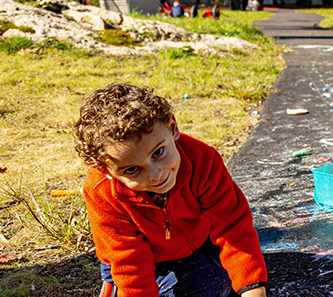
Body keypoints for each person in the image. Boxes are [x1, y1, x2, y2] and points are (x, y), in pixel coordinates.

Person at [74, 83, 267, 297]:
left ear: (172, 127)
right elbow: (129, 261)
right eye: (131, 170)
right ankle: (114, 288)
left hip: (196, 241)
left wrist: (252, 287)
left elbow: (232, 226)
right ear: (106, 170)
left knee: (238, 277)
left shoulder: (203, 161)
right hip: (137, 261)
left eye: (158, 153)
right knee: (207, 287)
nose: (155, 174)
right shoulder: (103, 191)